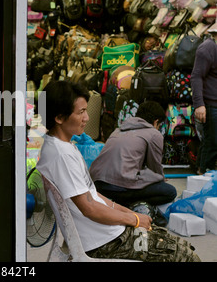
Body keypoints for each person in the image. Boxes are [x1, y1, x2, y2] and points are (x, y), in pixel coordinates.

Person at [36, 80, 200, 262]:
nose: (87, 118)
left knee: (173, 242)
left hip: (109, 234)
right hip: (107, 243)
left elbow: (93, 196)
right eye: (81, 112)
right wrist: (134, 220)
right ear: (59, 118)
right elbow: (89, 207)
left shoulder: (61, 146)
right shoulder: (62, 155)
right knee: (186, 256)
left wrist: (130, 214)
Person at [89, 101, 177, 222]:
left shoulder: (118, 130)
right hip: (119, 187)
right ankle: (130, 205)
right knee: (169, 191)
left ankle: (114, 203)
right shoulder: (153, 133)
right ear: (156, 122)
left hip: (98, 185)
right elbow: (154, 167)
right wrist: (161, 178)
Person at [191, 23, 217, 174]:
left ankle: (205, 172)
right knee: (212, 141)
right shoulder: (207, 48)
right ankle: (203, 173)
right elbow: (196, 76)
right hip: (211, 103)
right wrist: (199, 104)